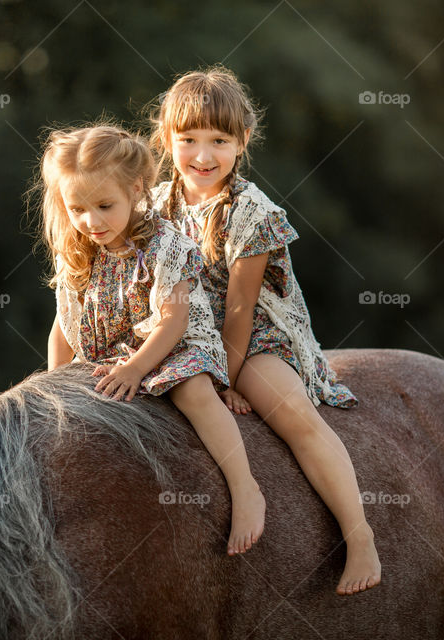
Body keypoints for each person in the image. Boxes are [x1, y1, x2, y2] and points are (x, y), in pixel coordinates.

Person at [149, 67, 381, 594]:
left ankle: (360, 533)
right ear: (167, 140)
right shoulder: (155, 205)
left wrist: (226, 379)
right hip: (181, 329)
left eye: (219, 141)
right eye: (188, 140)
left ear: (242, 142)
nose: (203, 156)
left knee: (291, 411)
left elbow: (240, 311)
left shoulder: (253, 214)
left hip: (253, 337)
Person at [39, 123, 265, 555]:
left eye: (105, 205)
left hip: (173, 346)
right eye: (77, 209)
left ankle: (246, 487)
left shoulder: (166, 245)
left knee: (193, 390)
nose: (91, 221)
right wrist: (57, 386)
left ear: (137, 189)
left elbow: (174, 320)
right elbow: (63, 327)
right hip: (115, 351)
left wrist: (138, 367)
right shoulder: (79, 250)